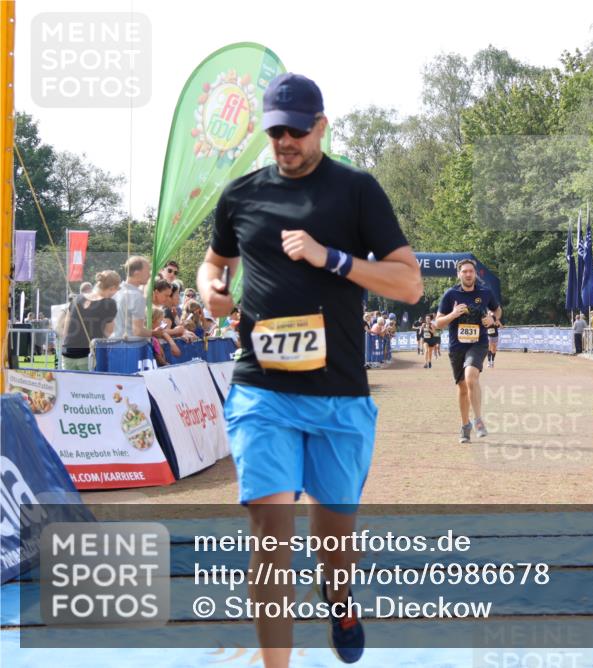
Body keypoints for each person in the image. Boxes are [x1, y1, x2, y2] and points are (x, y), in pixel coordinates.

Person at [196, 72, 421, 668]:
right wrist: (212, 289)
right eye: (276, 132)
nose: (286, 142)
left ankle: (339, 597)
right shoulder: (241, 196)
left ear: (321, 126)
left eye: (297, 131)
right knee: (270, 539)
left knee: (333, 546)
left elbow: (409, 284)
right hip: (261, 390)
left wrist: (334, 259)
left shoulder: (356, 191)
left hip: (339, 395)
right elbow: (213, 263)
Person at [435, 259, 501, 443]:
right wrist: (453, 314)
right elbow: (438, 323)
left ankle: (478, 420)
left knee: (471, 377)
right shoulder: (450, 294)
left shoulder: (485, 292)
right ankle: (465, 426)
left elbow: (497, 310)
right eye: (464, 271)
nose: (468, 274)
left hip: (478, 344)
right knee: (463, 388)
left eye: (471, 271)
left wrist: (493, 318)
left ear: (475, 273)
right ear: (459, 274)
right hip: (457, 347)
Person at [61, 270, 121, 371]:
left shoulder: (77, 298)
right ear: (112, 288)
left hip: (67, 353)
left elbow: (66, 328)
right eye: (116, 289)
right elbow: (108, 333)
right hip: (88, 356)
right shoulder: (110, 303)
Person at [113, 256, 154, 338]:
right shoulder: (137, 296)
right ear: (137, 273)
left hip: (113, 342)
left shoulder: (115, 291)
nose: (150, 275)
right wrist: (156, 333)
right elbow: (138, 331)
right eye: (147, 272)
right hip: (130, 344)